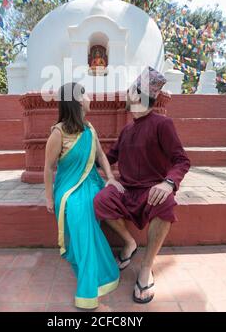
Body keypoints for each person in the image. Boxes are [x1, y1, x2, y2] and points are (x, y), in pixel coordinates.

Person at [94, 67, 191, 304]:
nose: (126, 94)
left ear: (137, 95)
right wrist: (83, 147)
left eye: (129, 91)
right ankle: (129, 243)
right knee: (100, 200)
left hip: (151, 192)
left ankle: (146, 267)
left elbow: (182, 160)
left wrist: (168, 183)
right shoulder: (126, 130)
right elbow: (109, 157)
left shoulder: (162, 124)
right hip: (126, 191)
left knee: (167, 203)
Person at [44, 82, 123, 309]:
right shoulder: (58, 133)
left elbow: (101, 156)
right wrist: (49, 198)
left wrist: (110, 178)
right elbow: (49, 168)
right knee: (80, 210)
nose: (90, 97)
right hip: (68, 189)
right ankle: (88, 285)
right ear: (78, 100)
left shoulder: (90, 129)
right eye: (86, 94)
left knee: (100, 201)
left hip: (92, 182)